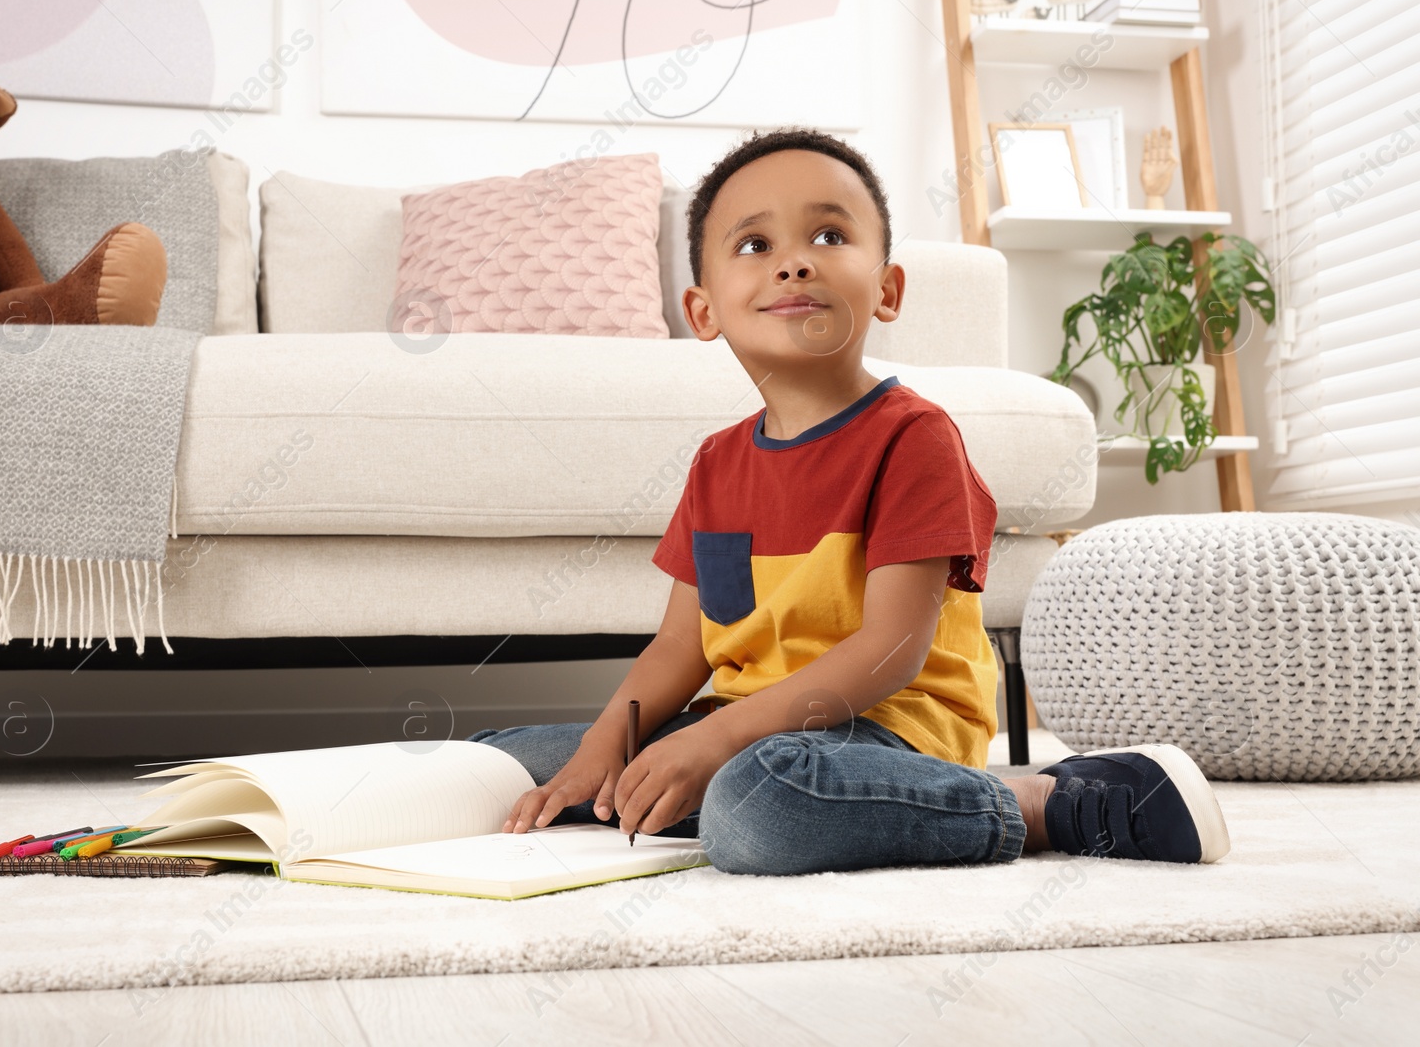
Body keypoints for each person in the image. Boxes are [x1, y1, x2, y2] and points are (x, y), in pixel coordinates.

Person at [467, 127, 1231, 873]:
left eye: (828, 237)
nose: (794, 264)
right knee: (499, 766)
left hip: (886, 730)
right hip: (751, 733)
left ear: (888, 289)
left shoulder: (915, 438)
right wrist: (611, 745)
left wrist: (714, 743)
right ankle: (753, 794)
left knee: (759, 804)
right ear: (703, 311)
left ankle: (1036, 802)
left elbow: (889, 652)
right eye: (755, 246)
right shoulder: (714, 464)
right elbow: (680, 647)